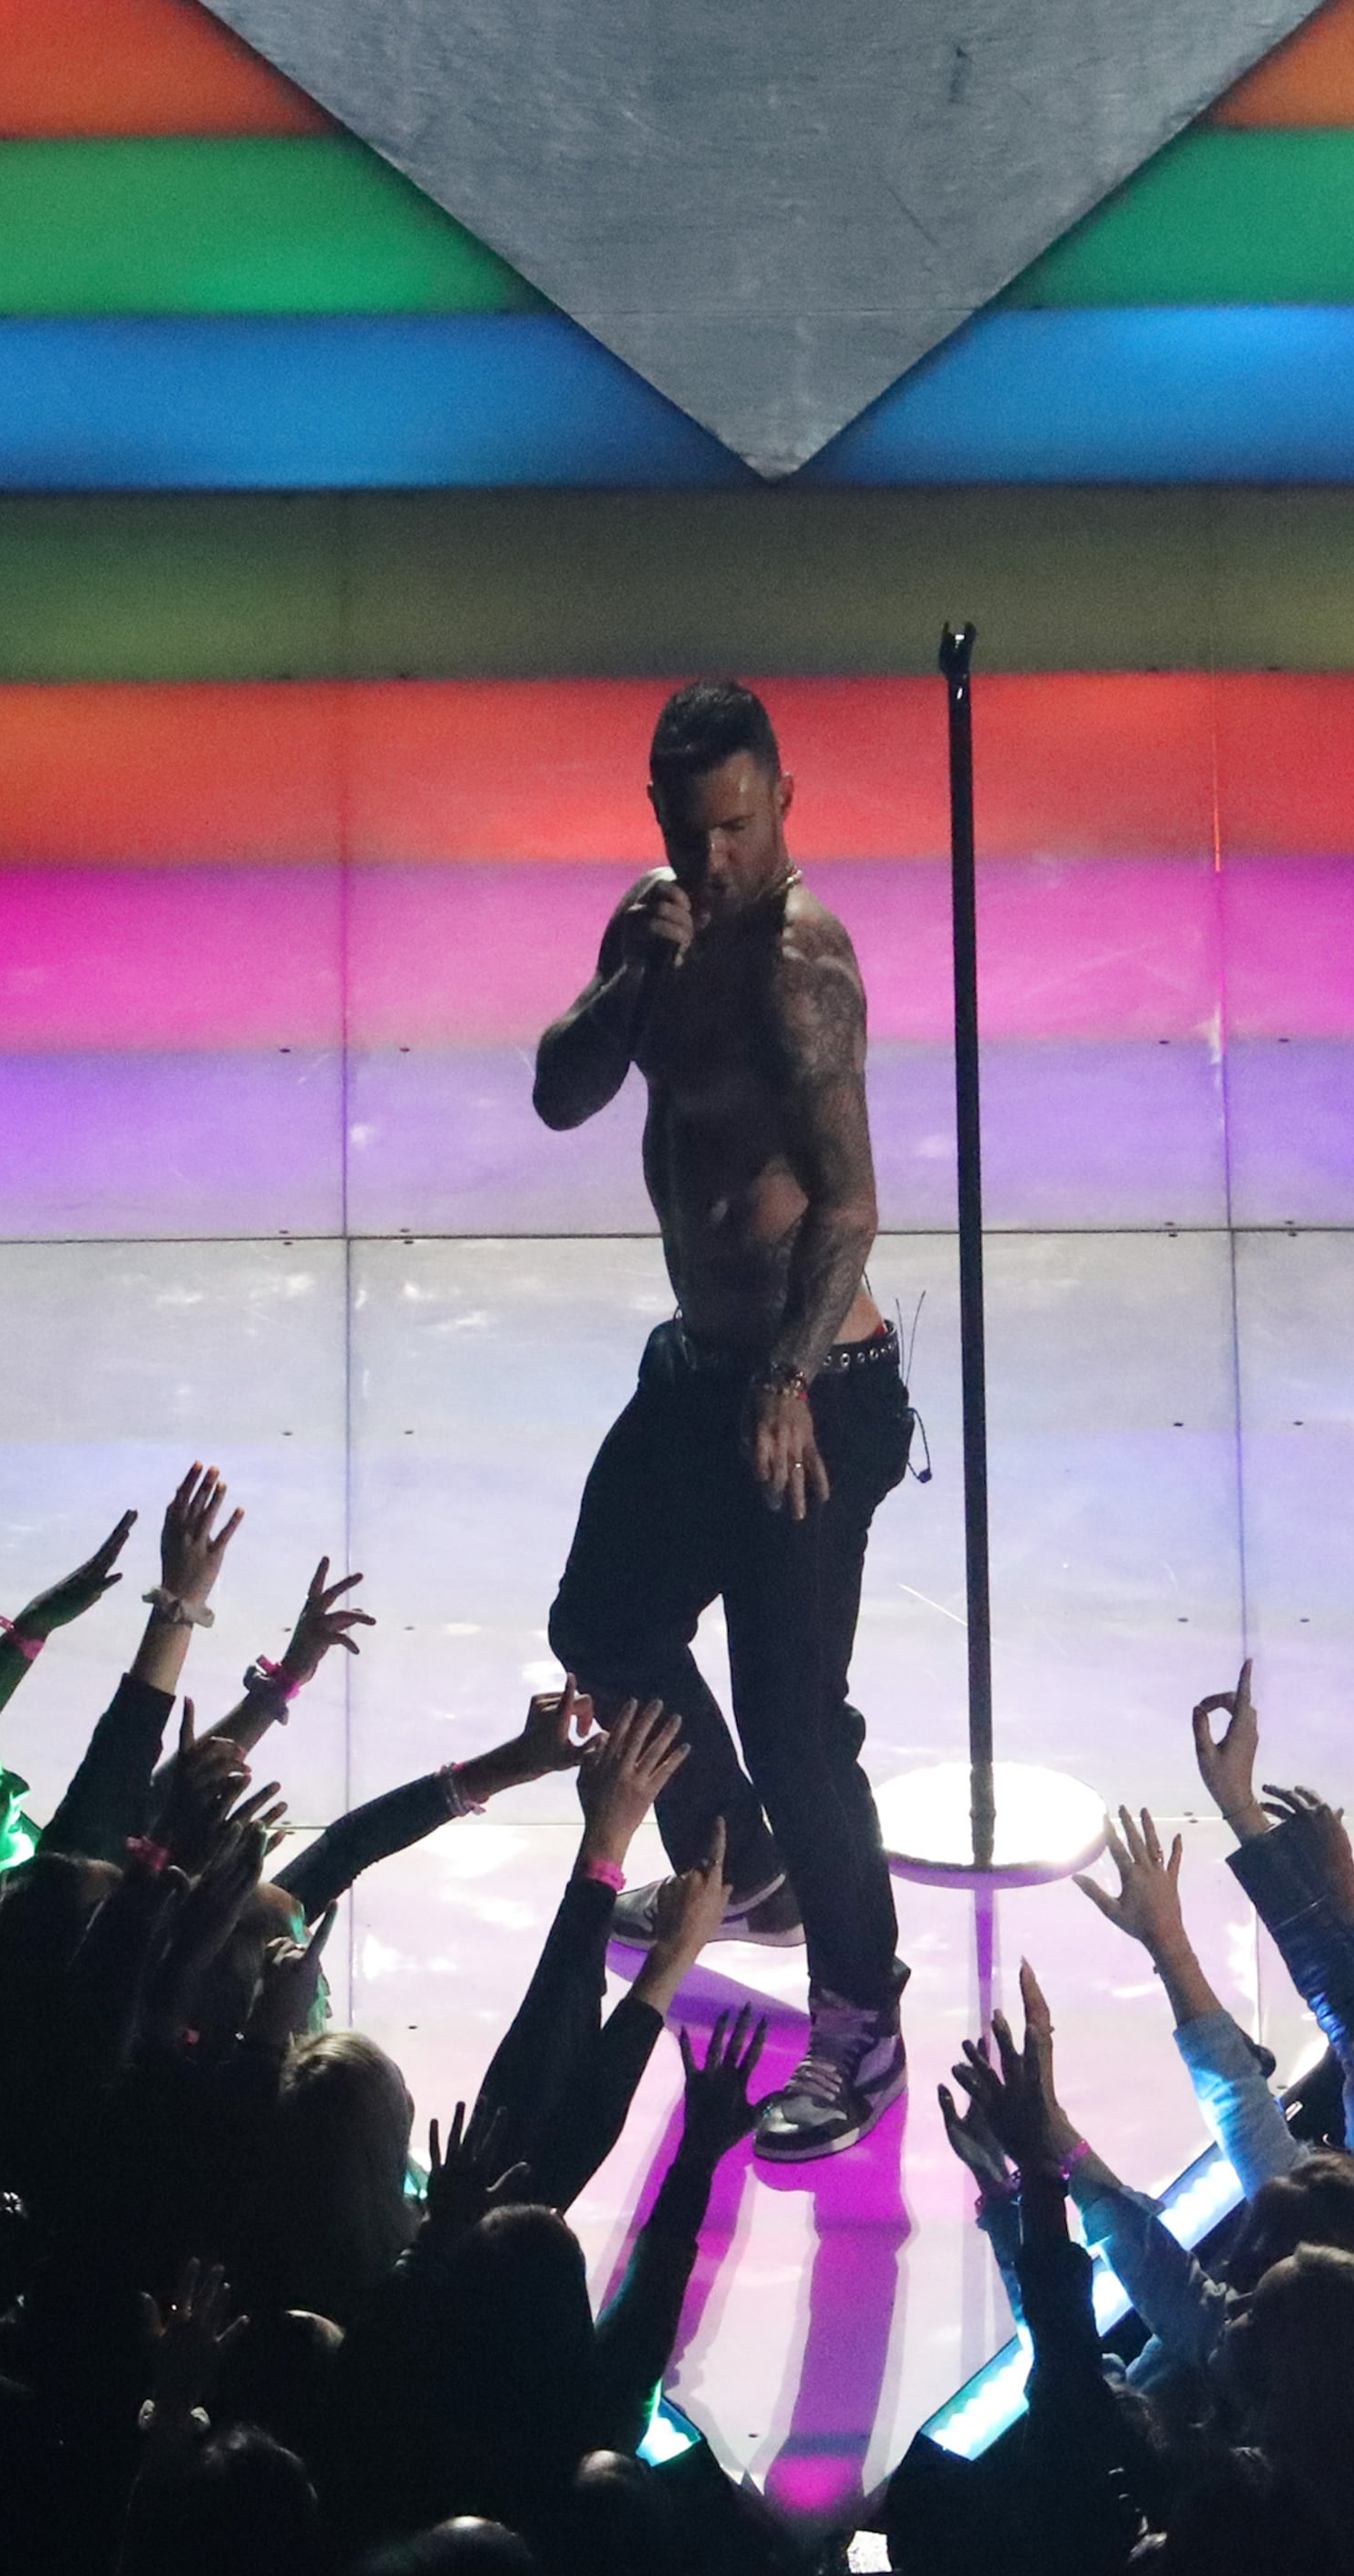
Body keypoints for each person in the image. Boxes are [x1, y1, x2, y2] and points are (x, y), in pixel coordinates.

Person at [530, 679, 913, 2162]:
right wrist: (628, 986)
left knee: (798, 1723)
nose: (715, 864)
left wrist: (788, 1377)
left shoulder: (802, 967)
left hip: (814, 1392)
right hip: (699, 1366)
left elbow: (853, 1199)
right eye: (691, 836)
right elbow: (562, 1094)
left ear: (784, 803)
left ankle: (861, 2029)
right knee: (604, 1619)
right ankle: (745, 1861)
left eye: (739, 832)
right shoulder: (654, 923)